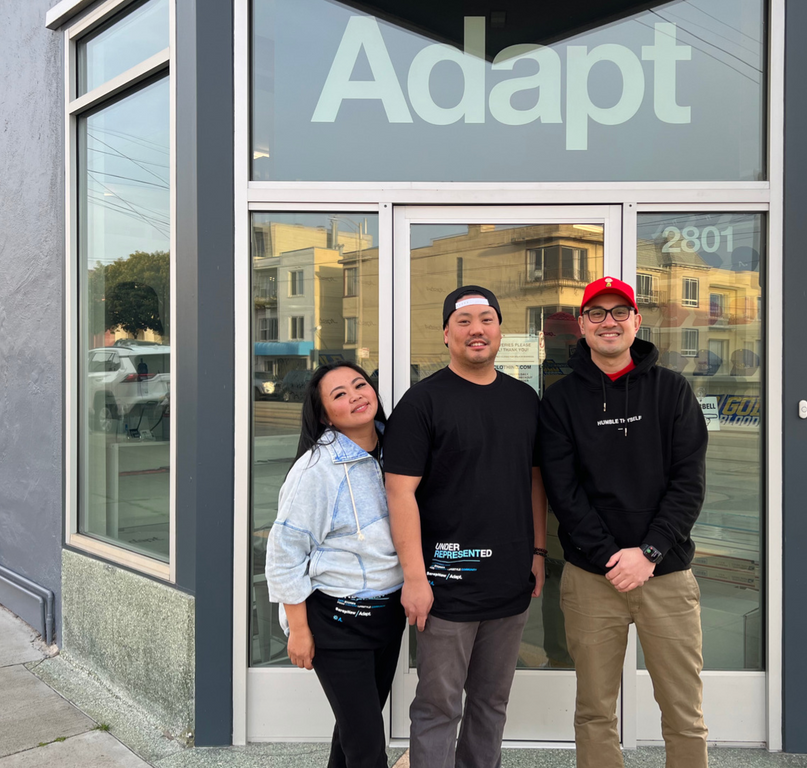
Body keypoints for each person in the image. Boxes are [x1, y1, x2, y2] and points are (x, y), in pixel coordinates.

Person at [538, 276, 709, 768]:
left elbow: (689, 483)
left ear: (636, 322)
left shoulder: (672, 391)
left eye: (619, 312)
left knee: (683, 711)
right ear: (583, 327)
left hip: (668, 575)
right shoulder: (561, 401)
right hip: (593, 578)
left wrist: (649, 552)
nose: (608, 322)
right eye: (597, 313)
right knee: (594, 712)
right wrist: (611, 558)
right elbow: (563, 492)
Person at [383, 285, 547, 768]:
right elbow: (400, 493)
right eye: (465, 321)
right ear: (446, 334)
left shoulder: (524, 399)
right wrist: (415, 578)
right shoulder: (422, 403)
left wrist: (537, 553)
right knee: (438, 706)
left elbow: (535, 481)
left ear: (499, 329)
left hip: (510, 579)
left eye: (487, 319)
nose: (477, 329)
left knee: (491, 702)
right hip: (446, 583)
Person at [266, 361, 405, 768]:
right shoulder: (317, 469)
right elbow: (285, 553)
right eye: (339, 394)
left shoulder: (396, 449)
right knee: (366, 747)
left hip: (386, 615)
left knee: (352, 734)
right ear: (325, 414)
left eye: (360, 385)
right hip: (337, 622)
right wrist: (300, 630)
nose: (356, 395)